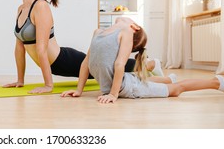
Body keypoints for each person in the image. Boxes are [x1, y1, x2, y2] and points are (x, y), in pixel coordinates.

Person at [3, 0, 162, 94]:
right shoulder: (21, 9)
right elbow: (19, 48)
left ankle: (151, 64)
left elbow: (41, 49)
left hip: (64, 60)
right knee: (106, 66)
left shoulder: (40, 6)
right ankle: (149, 65)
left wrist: (48, 85)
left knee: (107, 67)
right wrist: (20, 80)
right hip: (57, 63)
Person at [61, 17, 224, 103]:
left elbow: (120, 64)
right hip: (124, 80)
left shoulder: (126, 31)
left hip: (126, 87)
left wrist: (113, 94)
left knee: (176, 90)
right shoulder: (98, 32)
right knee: (140, 78)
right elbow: (85, 63)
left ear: (134, 28)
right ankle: (167, 78)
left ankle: (216, 82)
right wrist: (78, 91)